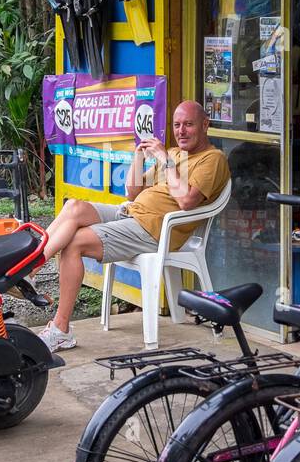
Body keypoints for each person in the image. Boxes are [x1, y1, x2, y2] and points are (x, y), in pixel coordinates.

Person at [37, 101, 230, 351]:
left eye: (189, 125)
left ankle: (60, 329)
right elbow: (133, 192)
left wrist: (165, 160)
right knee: (75, 207)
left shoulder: (212, 160)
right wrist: (138, 157)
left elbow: (186, 200)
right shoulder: (173, 154)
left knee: (74, 243)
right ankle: (31, 268)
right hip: (131, 214)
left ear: (205, 125)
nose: (181, 131)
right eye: (177, 125)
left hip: (154, 230)